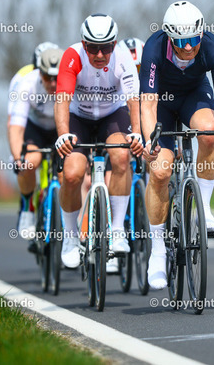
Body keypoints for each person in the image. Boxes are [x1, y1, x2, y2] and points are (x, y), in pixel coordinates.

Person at [139, 0, 214, 290]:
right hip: (162, 103)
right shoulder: (154, 48)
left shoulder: (213, 48)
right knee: (160, 172)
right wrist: (150, 141)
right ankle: (158, 251)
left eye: (194, 40)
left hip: (194, 96)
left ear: (201, 34)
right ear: (170, 37)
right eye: (181, 42)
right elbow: (148, 105)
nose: (188, 48)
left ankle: (203, 208)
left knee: (209, 133)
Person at [54, 14, 144, 272]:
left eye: (106, 47)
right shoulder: (72, 56)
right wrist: (63, 134)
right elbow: (62, 99)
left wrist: (137, 134)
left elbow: (133, 99)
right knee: (72, 174)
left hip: (111, 115)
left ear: (114, 44)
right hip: (78, 117)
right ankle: (71, 237)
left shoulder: (123, 57)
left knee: (121, 157)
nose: (100, 54)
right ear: (84, 44)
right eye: (93, 48)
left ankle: (117, 231)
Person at [7, 47, 64, 244]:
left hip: (60, 128)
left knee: (68, 172)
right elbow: (15, 126)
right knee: (30, 162)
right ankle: (27, 208)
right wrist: (18, 158)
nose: (53, 83)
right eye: (48, 78)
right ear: (39, 73)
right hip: (35, 129)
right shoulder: (27, 84)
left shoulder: (73, 82)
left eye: (57, 78)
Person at [7, 42, 59, 117]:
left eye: (56, 76)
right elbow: (12, 116)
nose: (52, 82)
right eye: (46, 76)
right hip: (31, 119)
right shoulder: (22, 77)